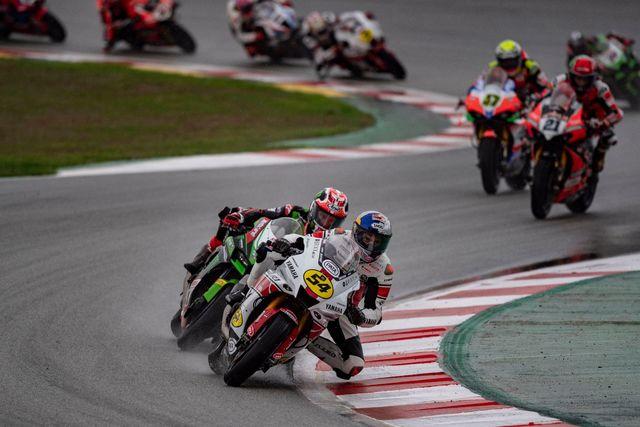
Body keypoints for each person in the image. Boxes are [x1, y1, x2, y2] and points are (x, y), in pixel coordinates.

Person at [183, 187, 349, 278]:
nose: (326, 223)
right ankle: (203, 257)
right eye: (323, 216)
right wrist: (241, 216)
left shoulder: (329, 241)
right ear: (314, 208)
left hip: (285, 271)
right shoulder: (295, 212)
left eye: (332, 221)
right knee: (230, 216)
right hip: (263, 248)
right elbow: (263, 212)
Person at [305, 211, 394, 379]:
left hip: (341, 309)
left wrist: (361, 316)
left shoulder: (384, 269)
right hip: (310, 282)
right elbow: (305, 241)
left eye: (377, 241)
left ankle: (305, 340)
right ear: (357, 232)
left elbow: (376, 312)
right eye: (367, 238)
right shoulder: (338, 236)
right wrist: (287, 244)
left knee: (353, 365)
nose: (371, 245)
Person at [554, 55, 624, 181]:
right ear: (571, 75)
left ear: (592, 78)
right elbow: (545, 95)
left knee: (608, 136)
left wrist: (603, 122)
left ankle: (598, 159)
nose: (581, 82)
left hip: (591, 120)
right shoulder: (560, 80)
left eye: (585, 79)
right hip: (564, 114)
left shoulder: (601, 88)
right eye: (578, 78)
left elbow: (617, 113)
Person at [488, 39, 550, 106]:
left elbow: (548, 88)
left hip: (528, 104)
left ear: (519, 59)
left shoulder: (531, 67)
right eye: (505, 62)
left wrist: (535, 97)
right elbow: (481, 87)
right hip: (503, 103)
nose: (509, 65)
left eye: (512, 61)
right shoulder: (494, 68)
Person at [567, 31, 635, 65]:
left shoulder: (590, 41)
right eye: (579, 46)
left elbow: (607, 37)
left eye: (582, 44)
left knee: (627, 52)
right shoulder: (573, 57)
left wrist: (624, 41)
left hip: (607, 56)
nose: (581, 47)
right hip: (598, 66)